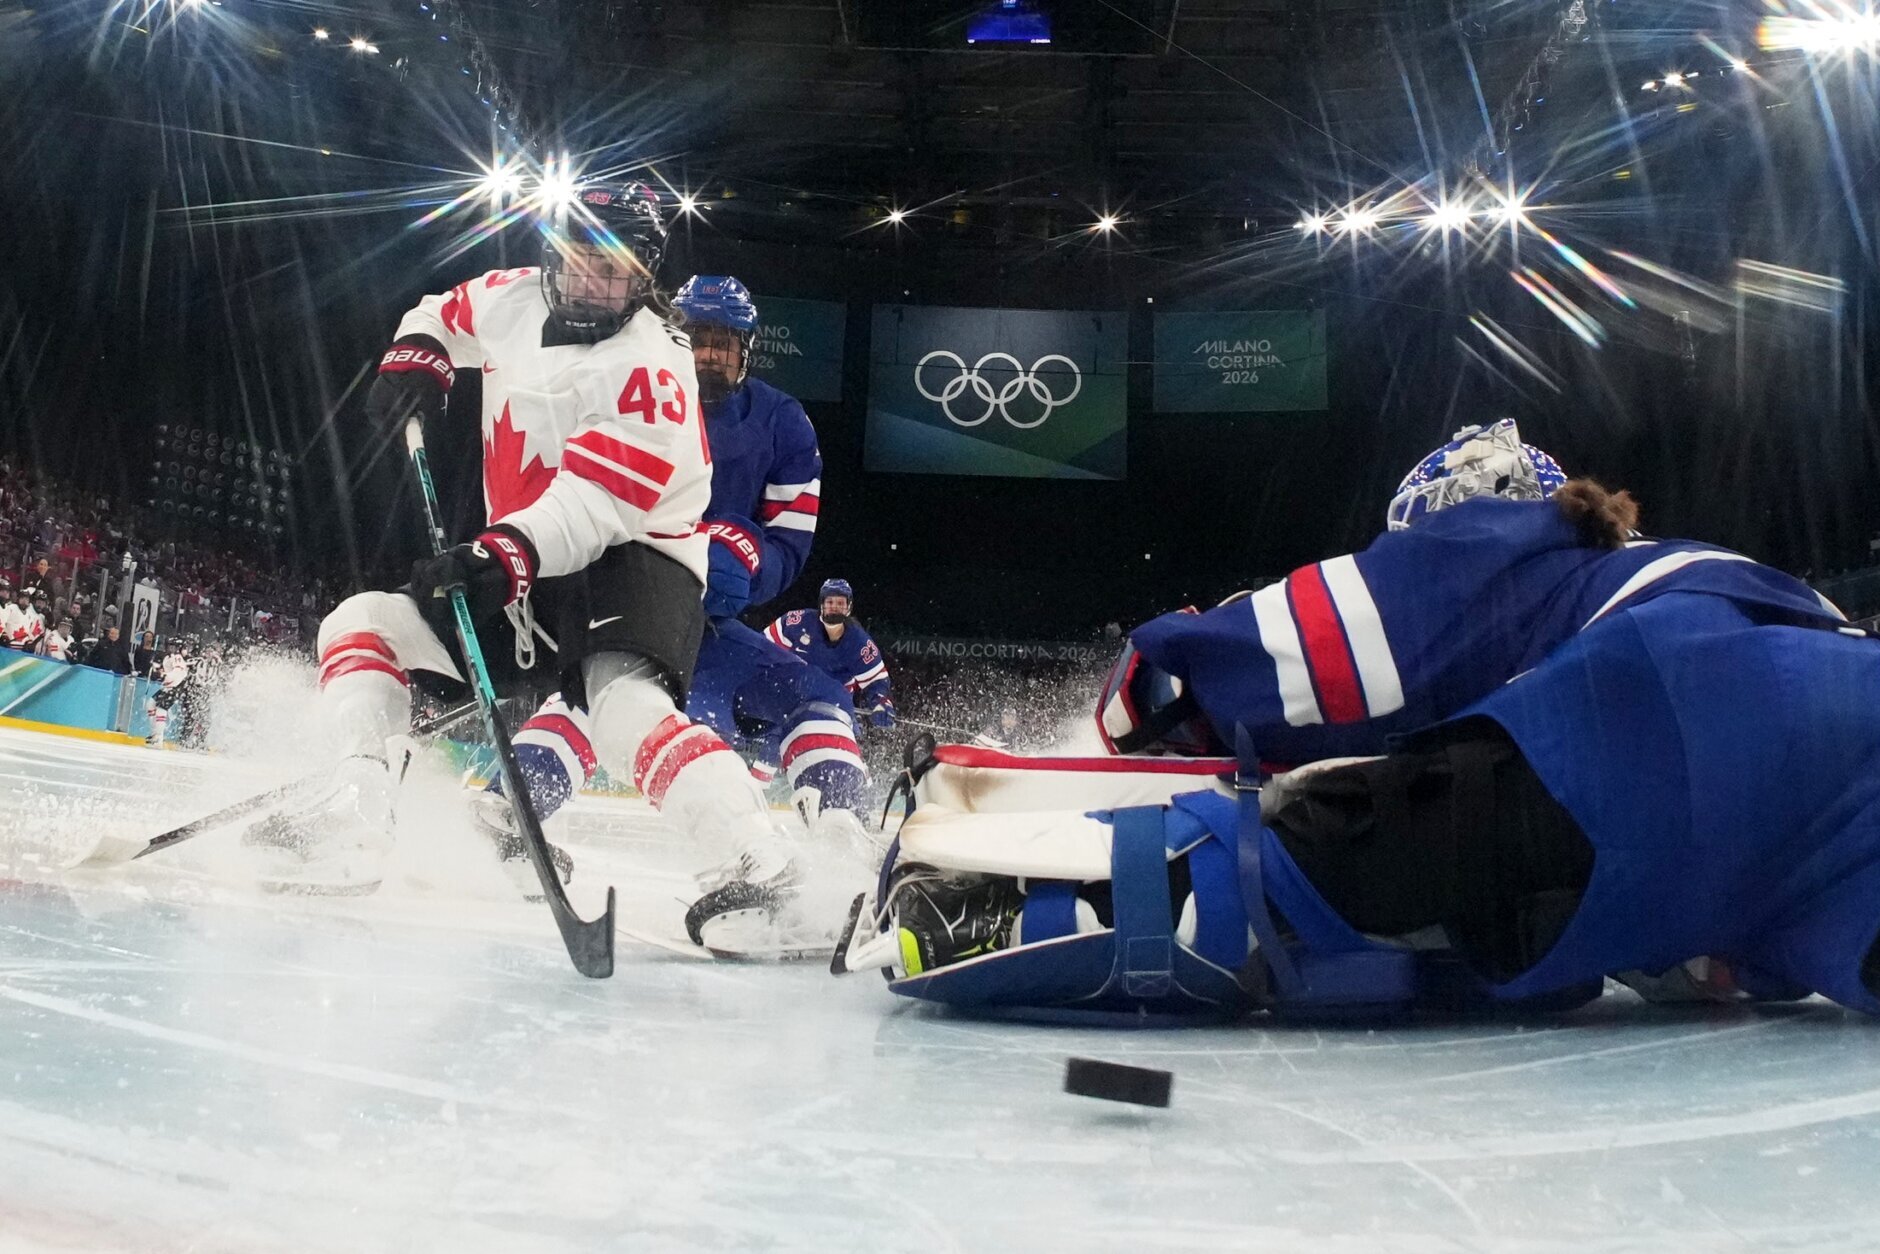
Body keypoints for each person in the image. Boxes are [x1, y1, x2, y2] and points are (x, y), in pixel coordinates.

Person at [841, 422, 1880, 1021]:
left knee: (1297, 868)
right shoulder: (1702, 571)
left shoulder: (1518, 543)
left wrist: (1153, 693)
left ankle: (978, 912)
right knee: (1513, 921)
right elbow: (1726, 950)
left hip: (1673, 703)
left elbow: (1299, 650)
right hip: (1838, 791)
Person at [267, 181, 781, 901]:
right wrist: (420, 352)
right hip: (523, 556)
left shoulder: (655, 365)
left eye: (612, 267)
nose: (590, 280)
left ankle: (762, 863)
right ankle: (356, 803)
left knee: (622, 712)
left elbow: (596, 502)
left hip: (636, 557)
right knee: (362, 625)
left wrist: (500, 554)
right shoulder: (511, 296)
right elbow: (443, 311)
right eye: (577, 258)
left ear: (643, 275)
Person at [471, 275, 872, 942]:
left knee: (815, 697)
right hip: (629, 600)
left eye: (724, 342)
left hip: (709, 625)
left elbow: (789, 541)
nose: (709, 354)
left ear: (746, 349)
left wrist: (748, 561)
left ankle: (841, 839)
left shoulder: (783, 422)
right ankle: (509, 811)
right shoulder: (623, 385)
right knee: (607, 694)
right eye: (698, 338)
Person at [762, 578, 894, 729]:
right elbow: (762, 648)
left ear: (849, 607)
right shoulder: (796, 622)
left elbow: (876, 681)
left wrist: (881, 703)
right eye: (830, 602)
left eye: (840, 603)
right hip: (788, 702)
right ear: (821, 604)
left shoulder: (860, 643)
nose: (834, 607)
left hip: (834, 709)